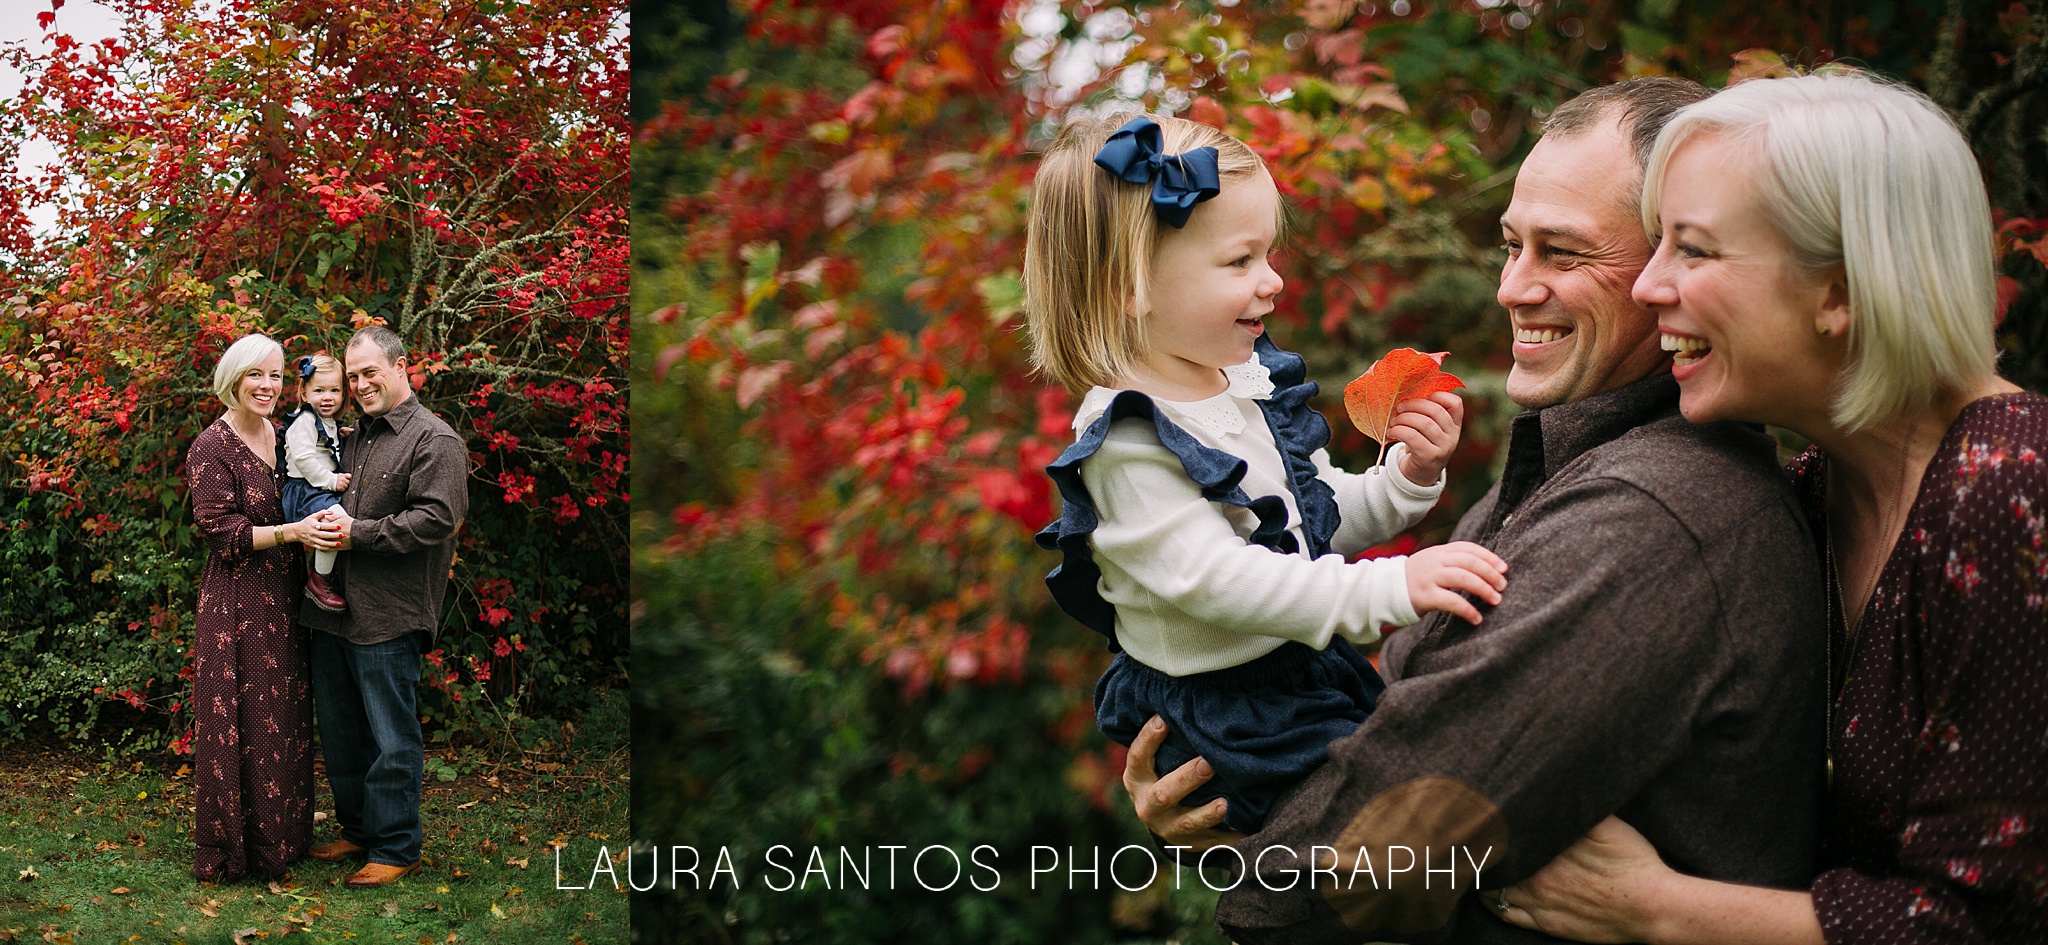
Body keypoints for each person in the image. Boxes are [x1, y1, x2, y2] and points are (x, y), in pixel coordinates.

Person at [1124, 79, 1829, 943]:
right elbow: (1397, 717)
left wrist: (1247, 835)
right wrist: (1218, 769)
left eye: (1563, 254)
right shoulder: (1567, 471)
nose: (1512, 288)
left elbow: (1368, 852)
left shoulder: (1650, 513)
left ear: (1668, 269)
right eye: (1510, 245)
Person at [1497, 70, 2048, 945]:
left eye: (1695, 250)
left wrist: (1653, 907)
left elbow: (1988, 925)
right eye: (1656, 243)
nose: (1648, 287)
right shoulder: (1825, 488)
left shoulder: (2013, 495)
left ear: (1840, 290)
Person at [1026, 113, 1510, 835]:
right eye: (1239, 262)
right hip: (1232, 711)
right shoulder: (1128, 439)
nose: (1273, 282)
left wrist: (1408, 475)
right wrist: (1386, 585)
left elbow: (1312, 522)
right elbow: (1220, 582)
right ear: (1130, 286)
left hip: (1301, 671)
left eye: (1269, 256)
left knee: (1450, 782)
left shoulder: (1240, 382)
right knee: (1405, 827)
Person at [299, 325, 469, 888]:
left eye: (370, 372)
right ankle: (359, 831)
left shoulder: (433, 440)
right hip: (332, 608)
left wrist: (357, 534)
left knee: (391, 735)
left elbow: (438, 518)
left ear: (401, 368)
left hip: (390, 612)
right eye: (352, 376)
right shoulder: (349, 436)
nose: (361, 383)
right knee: (343, 732)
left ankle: (397, 848)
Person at [185, 332, 344, 882]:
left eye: (276, 376)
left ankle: (283, 840)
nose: (268, 385)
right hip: (236, 604)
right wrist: (295, 532)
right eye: (257, 374)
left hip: (282, 596)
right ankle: (235, 848)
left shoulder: (281, 434)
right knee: (242, 719)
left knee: (283, 718)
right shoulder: (212, 445)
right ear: (234, 378)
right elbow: (222, 534)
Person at [280, 354, 352, 612]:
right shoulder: (304, 420)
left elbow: (323, 445)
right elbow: (304, 457)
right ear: (304, 392)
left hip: (315, 489)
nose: (328, 397)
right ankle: (319, 581)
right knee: (336, 523)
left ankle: (325, 573)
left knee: (338, 525)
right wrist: (331, 481)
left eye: (335, 390)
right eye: (319, 390)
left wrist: (341, 435)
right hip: (304, 490)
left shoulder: (326, 420)